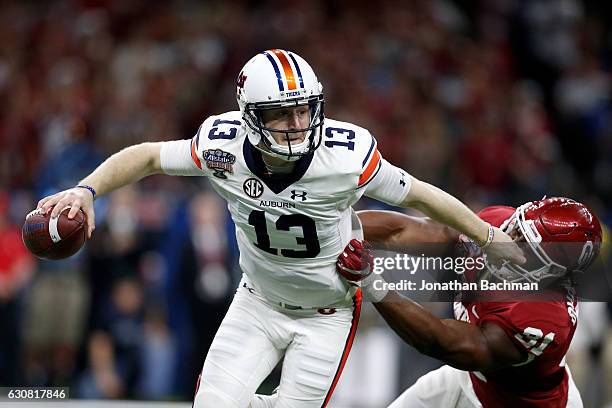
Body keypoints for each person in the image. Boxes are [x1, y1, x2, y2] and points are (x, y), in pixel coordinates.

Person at [37, 49, 524, 408]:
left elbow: (420, 194)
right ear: (250, 118)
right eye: (281, 114)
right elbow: (146, 156)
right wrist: (86, 190)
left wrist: (487, 235)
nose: (297, 124)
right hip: (257, 302)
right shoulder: (222, 147)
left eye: (303, 110)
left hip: (327, 314)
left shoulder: (345, 156)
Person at [336, 197, 602, 407]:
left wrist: (372, 281)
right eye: (519, 229)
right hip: (469, 381)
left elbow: (443, 342)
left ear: (553, 275)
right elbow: (407, 230)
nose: (512, 240)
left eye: (527, 248)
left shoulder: (542, 318)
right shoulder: (501, 223)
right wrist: (334, 229)